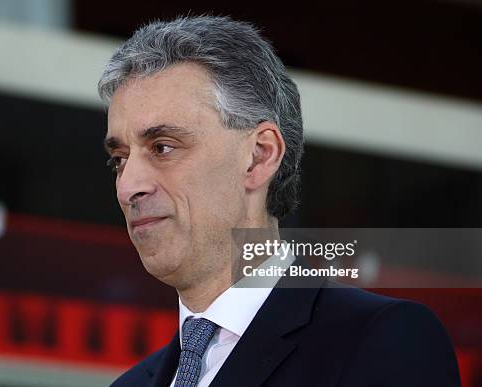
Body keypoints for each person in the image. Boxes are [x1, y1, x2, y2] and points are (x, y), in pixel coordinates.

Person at [97, 15, 461, 387]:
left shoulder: (381, 340)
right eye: (119, 160)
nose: (128, 187)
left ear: (259, 156)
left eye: (162, 147)